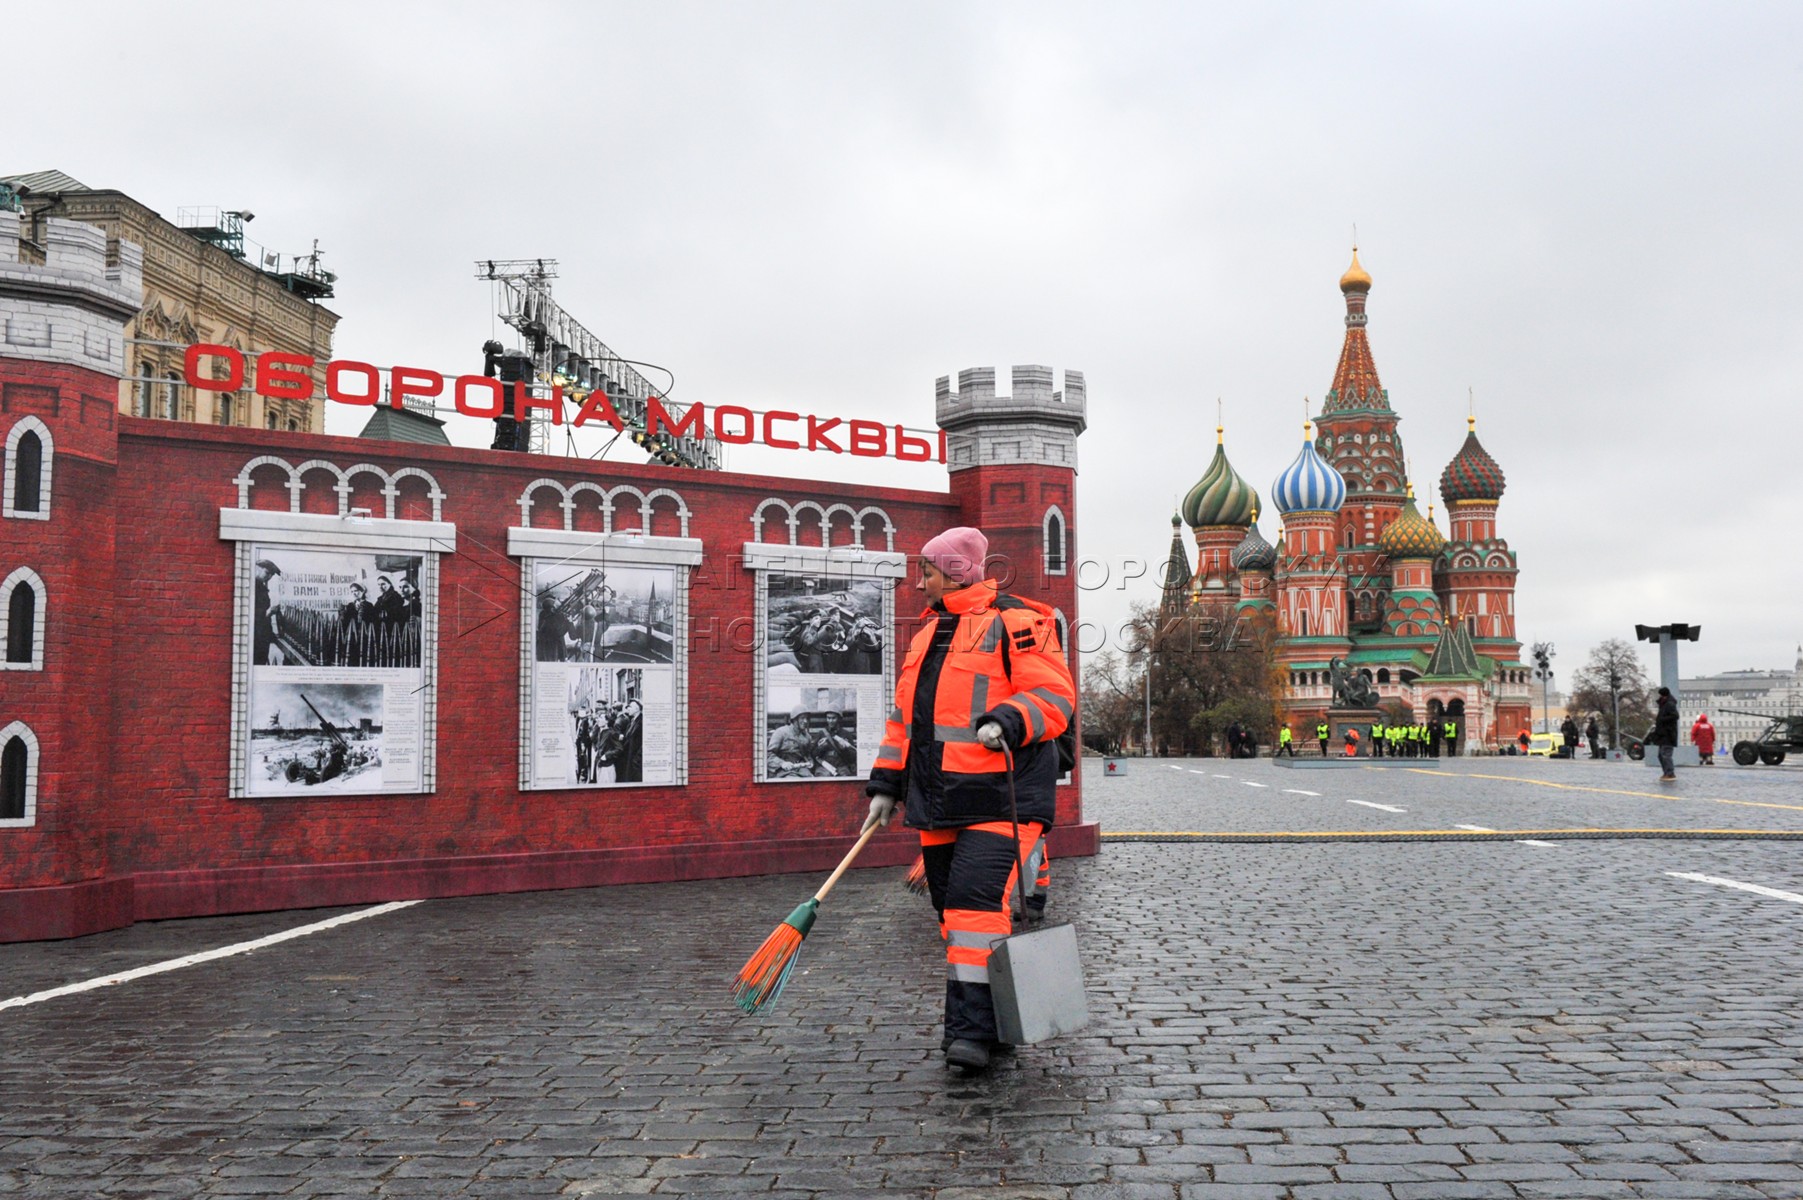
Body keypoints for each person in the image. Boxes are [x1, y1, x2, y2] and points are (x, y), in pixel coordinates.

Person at [865, 526, 1076, 1075]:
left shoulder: (1019, 621)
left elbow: (1055, 697)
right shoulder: (925, 637)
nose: (920, 583)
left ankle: (971, 1035)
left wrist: (1007, 719)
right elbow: (904, 722)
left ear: (955, 572)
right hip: (939, 801)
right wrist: (886, 784)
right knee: (953, 918)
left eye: (928, 572)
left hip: (1004, 795)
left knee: (972, 909)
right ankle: (997, 1021)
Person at [1651, 686, 1680, 781]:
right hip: (1663, 734)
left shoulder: (1669, 704)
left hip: (1668, 734)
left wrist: (1662, 720)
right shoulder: (1664, 704)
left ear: (1664, 695)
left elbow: (1675, 716)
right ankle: (1666, 773)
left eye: (1661, 695)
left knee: (1665, 755)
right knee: (1661, 755)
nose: (1660, 697)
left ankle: (1670, 773)